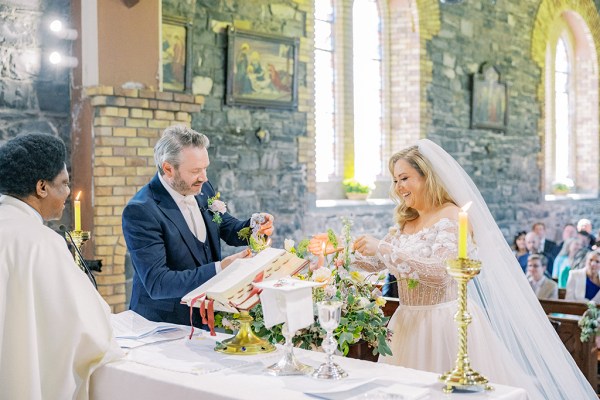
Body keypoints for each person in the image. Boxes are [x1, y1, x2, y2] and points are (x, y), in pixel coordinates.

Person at [351, 140, 595, 399]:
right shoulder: (406, 221)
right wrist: (342, 253)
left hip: (444, 324)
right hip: (405, 324)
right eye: (395, 181)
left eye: (404, 178)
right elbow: (379, 262)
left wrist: (382, 248)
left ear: (427, 177)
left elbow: (438, 273)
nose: (398, 188)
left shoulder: (451, 215)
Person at [0, 133, 123, 399]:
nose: (68, 192)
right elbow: (87, 329)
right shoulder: (42, 243)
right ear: (42, 187)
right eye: (64, 183)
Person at [122, 125, 274, 327]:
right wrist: (221, 268)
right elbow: (158, 283)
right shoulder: (141, 211)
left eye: (205, 168)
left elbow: (226, 227)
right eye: (195, 170)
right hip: (163, 325)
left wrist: (255, 227)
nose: (204, 177)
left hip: (206, 316)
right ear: (168, 168)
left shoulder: (203, 188)